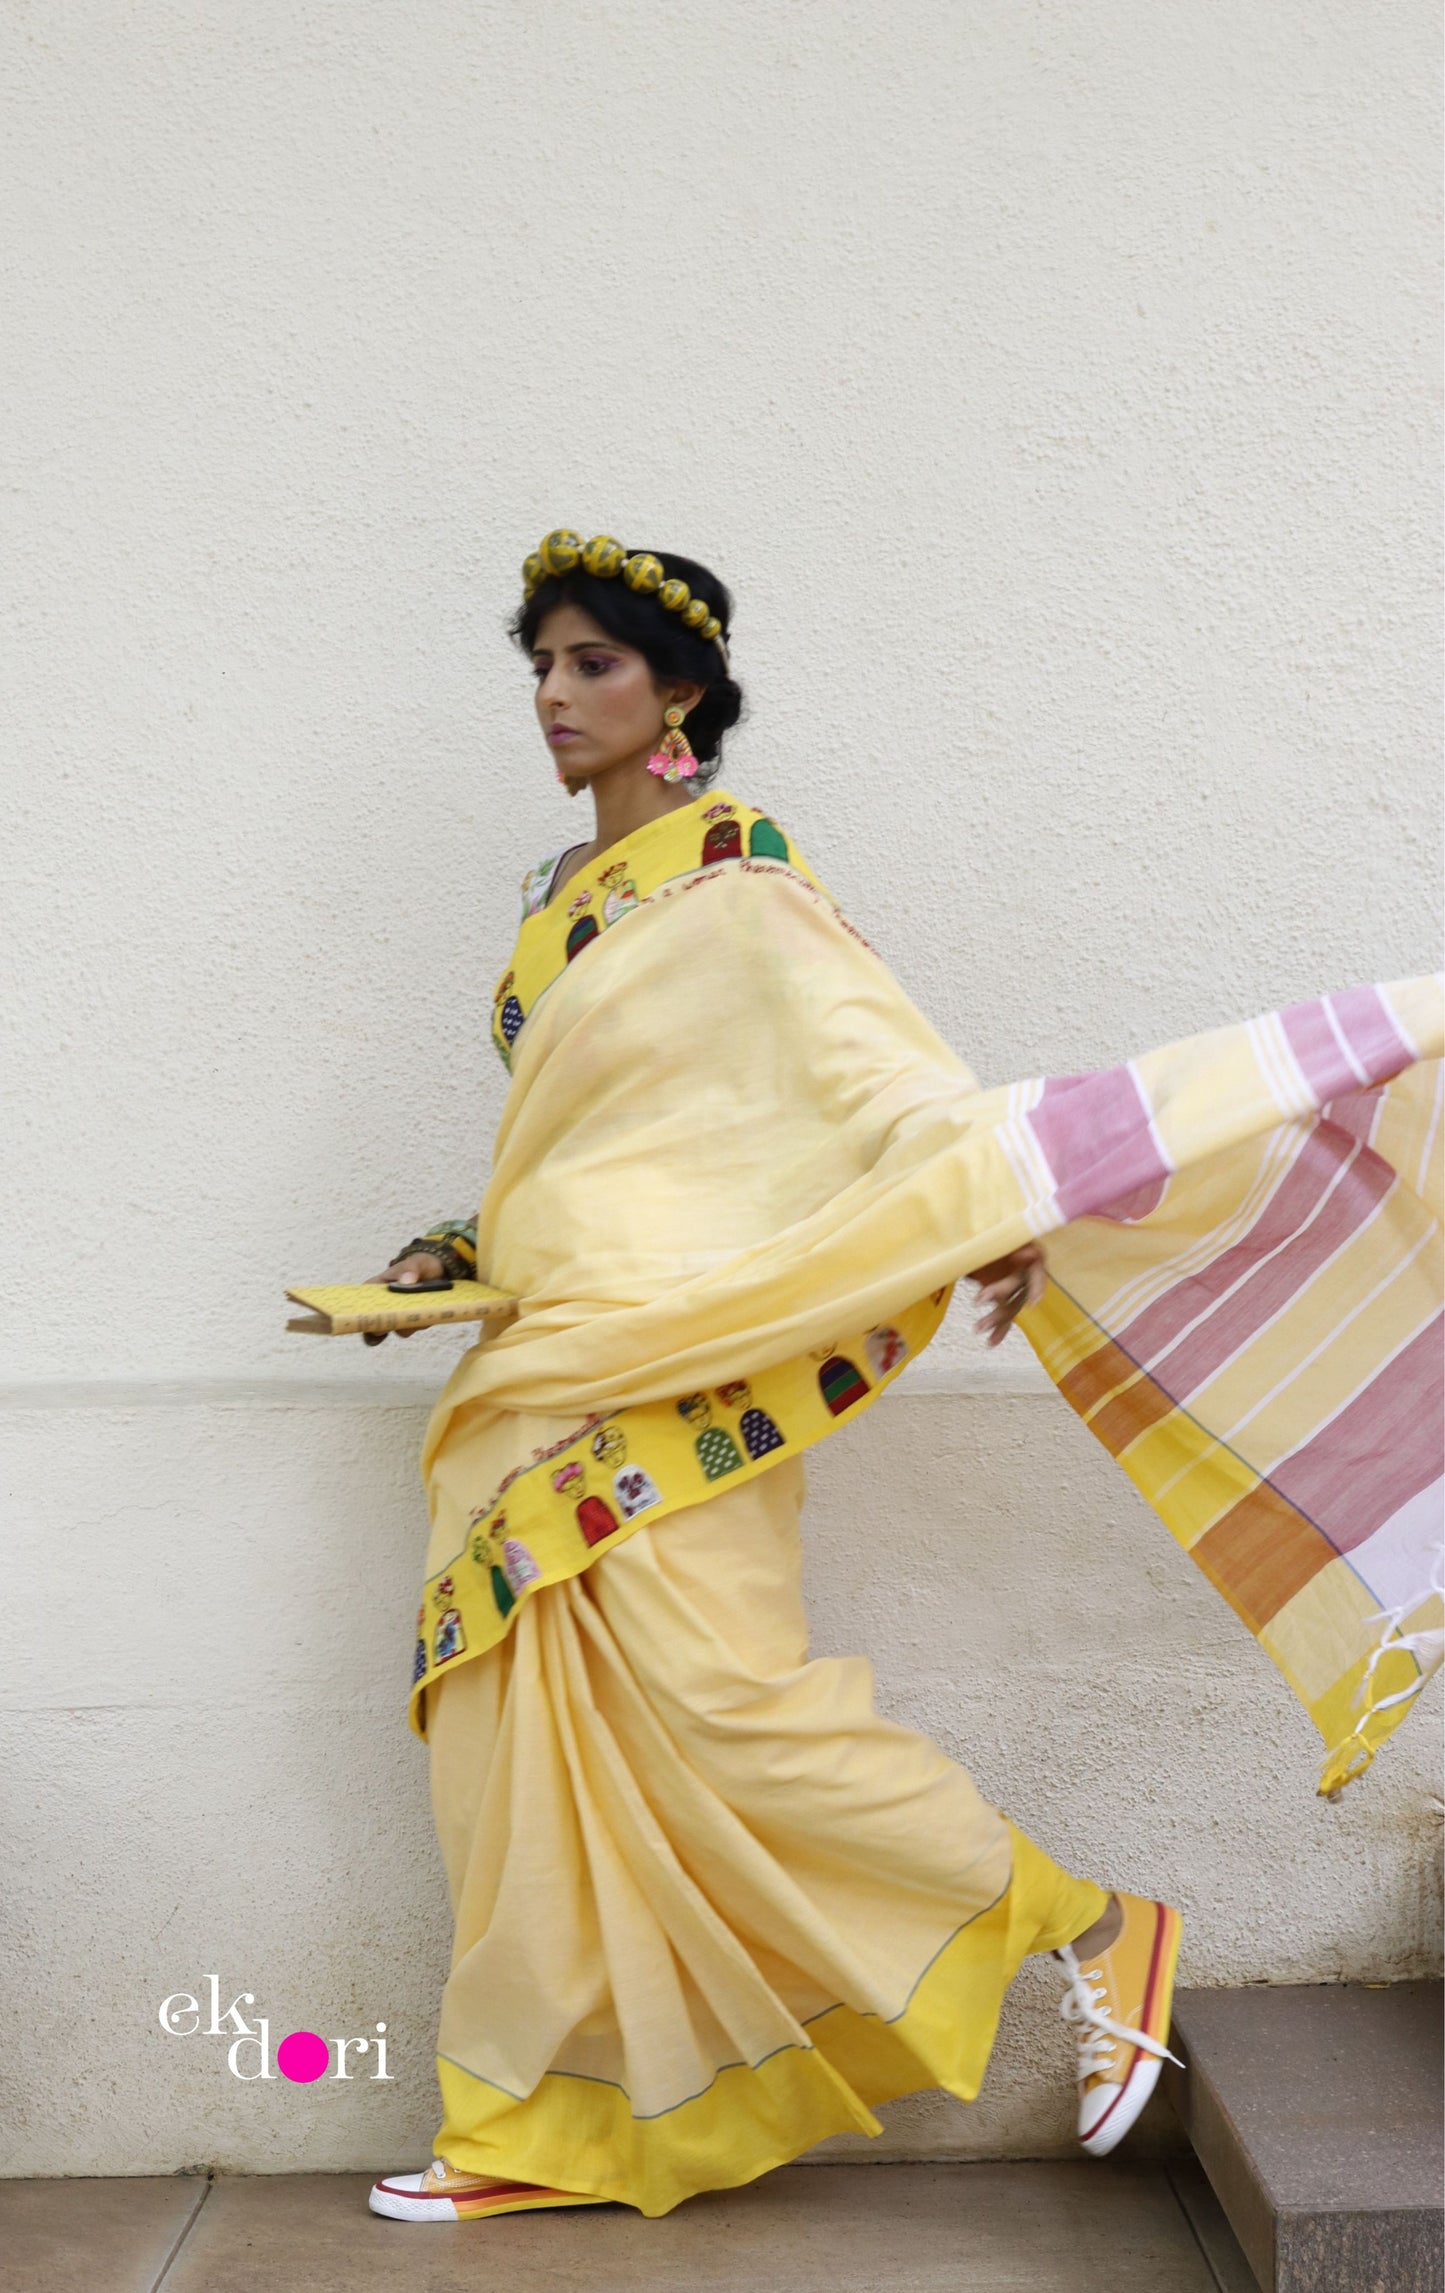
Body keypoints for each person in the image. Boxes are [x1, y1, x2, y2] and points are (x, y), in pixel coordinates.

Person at [362, 533, 1441, 2225]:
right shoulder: (557, 908)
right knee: (526, 1745)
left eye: (591, 666)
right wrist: (451, 1246)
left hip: (682, 1357)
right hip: (538, 1349)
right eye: (542, 668)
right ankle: (544, 2124)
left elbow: (892, 1088)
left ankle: (1096, 1926)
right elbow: (592, 1145)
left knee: (733, 1710)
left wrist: (996, 1206)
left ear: (680, 696)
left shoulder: (749, 890)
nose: (555, 698)